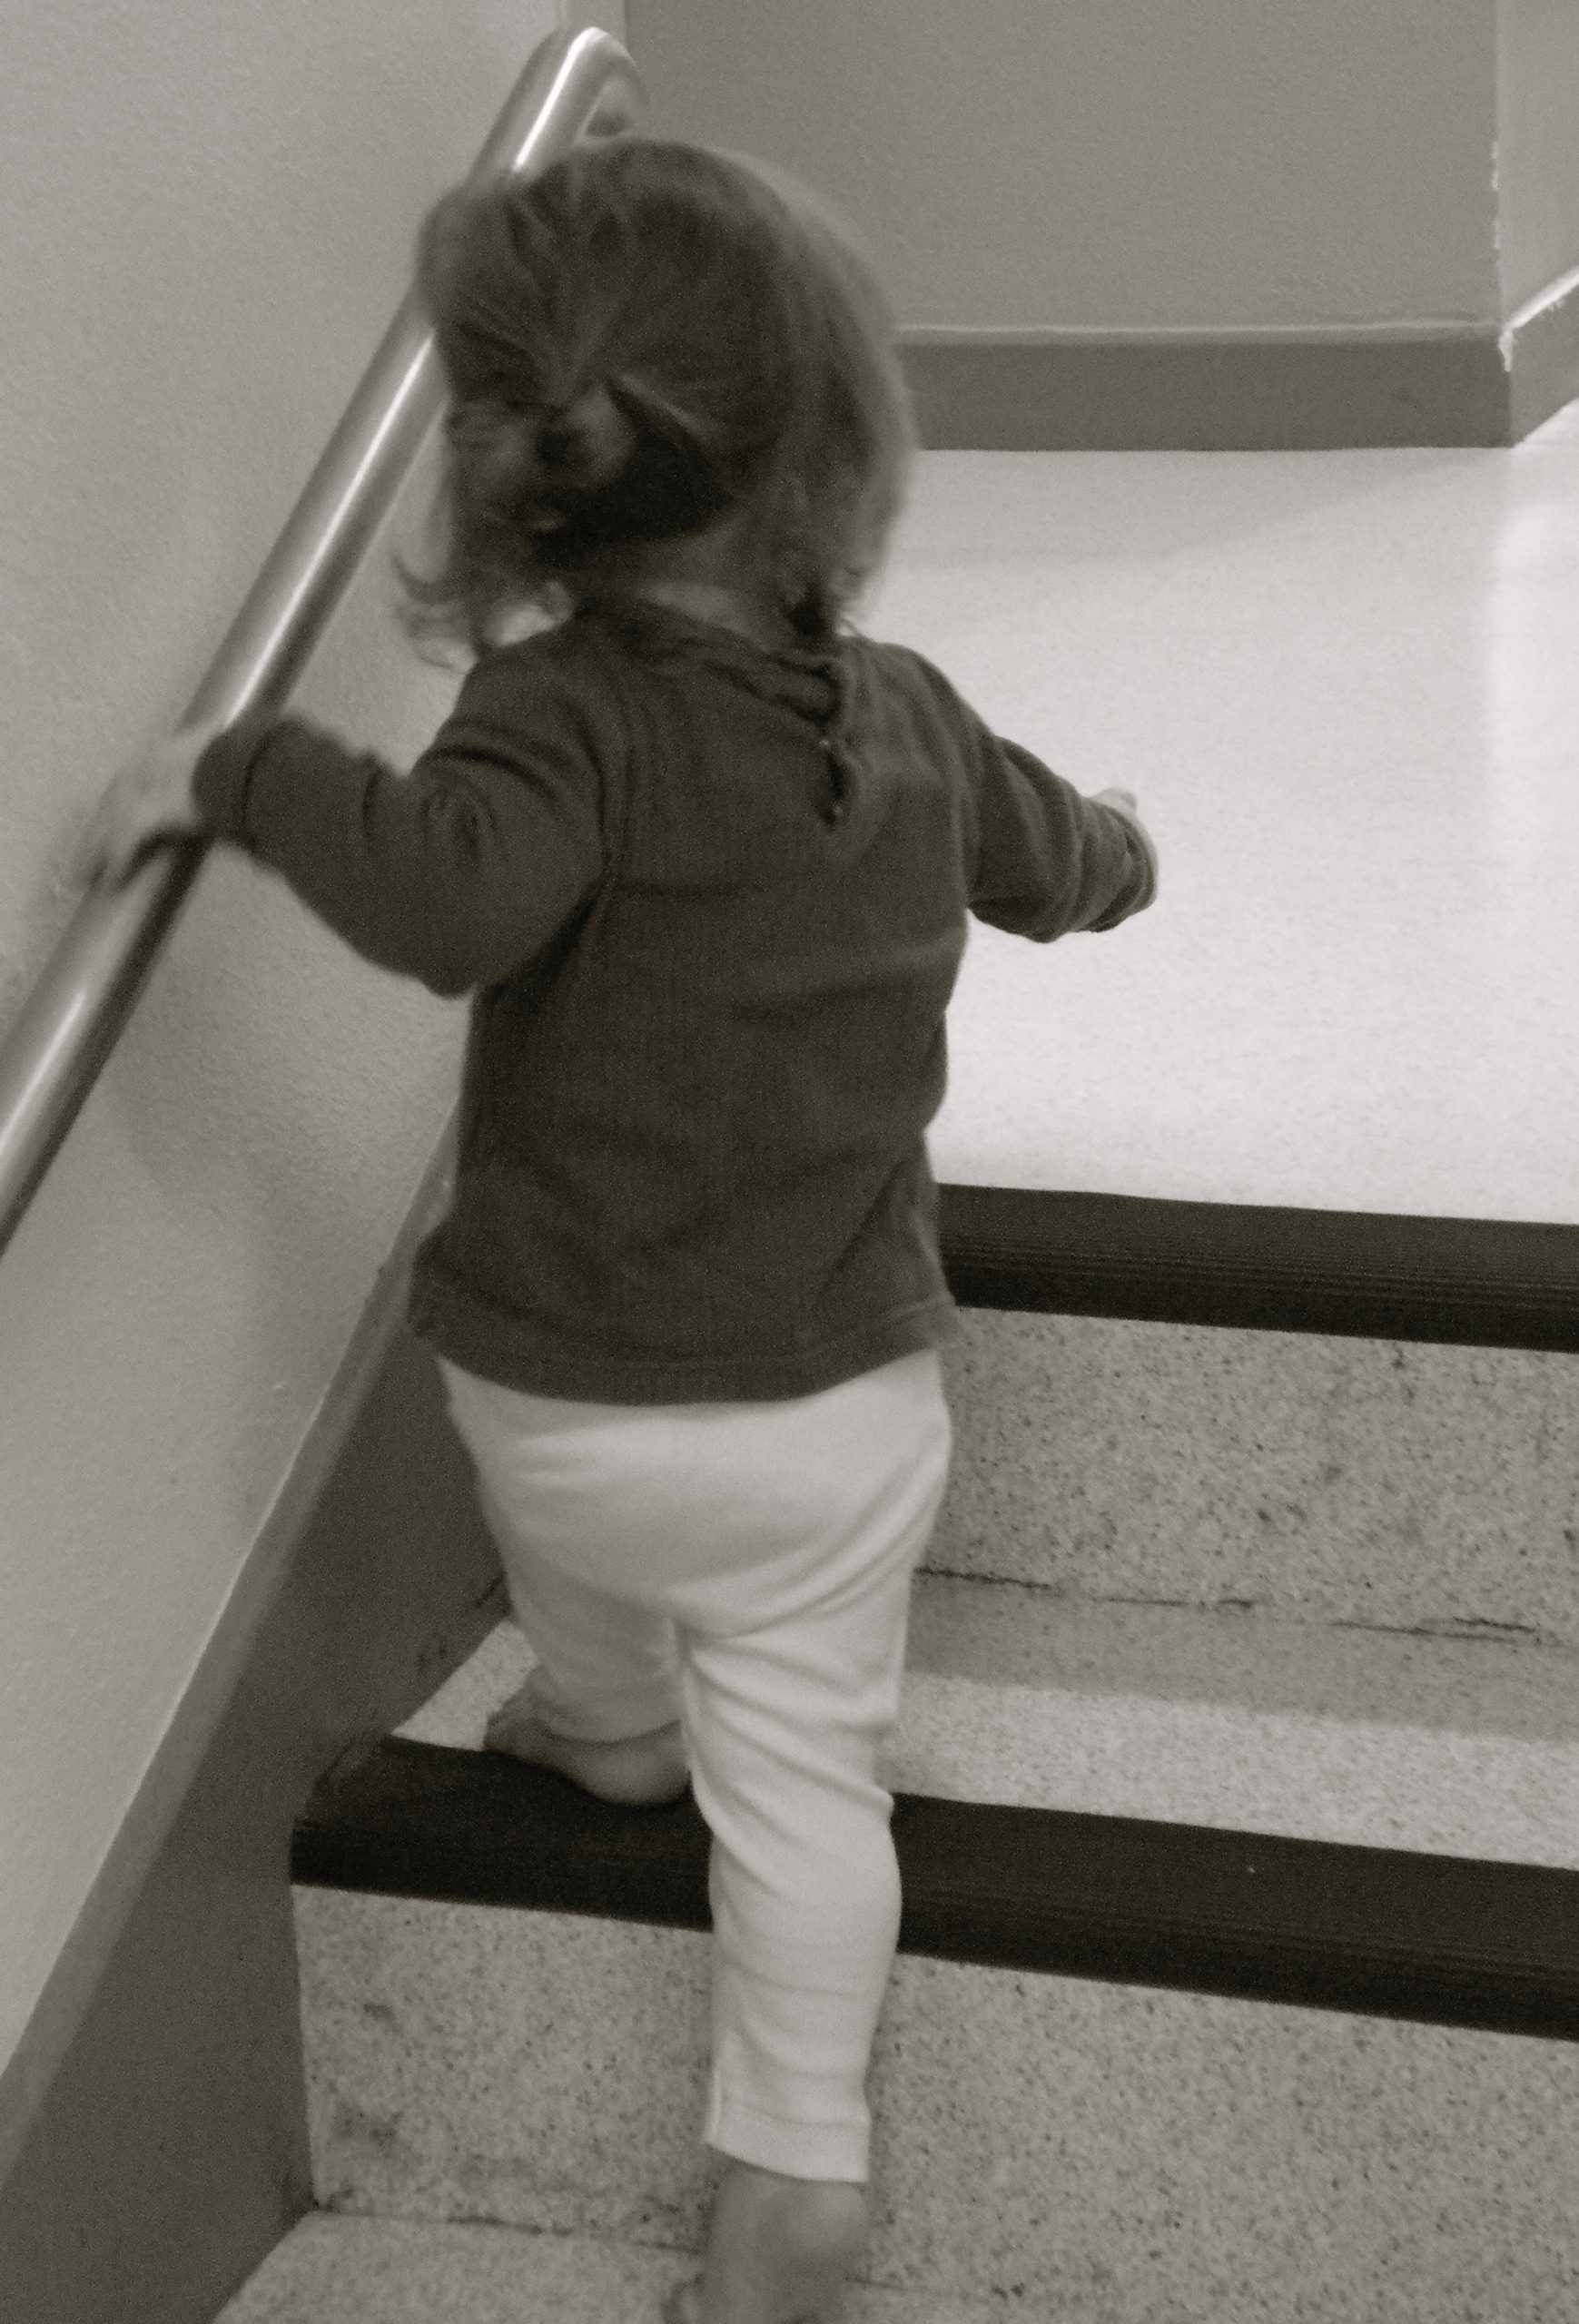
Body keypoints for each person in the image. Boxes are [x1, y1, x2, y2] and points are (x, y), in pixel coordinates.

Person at [78, 135, 1158, 2324]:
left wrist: (239, 771)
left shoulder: (559, 715)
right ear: (829, 450)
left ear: (527, 484)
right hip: (840, 1412)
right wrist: (1127, 843)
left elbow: (441, 896)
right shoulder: (919, 722)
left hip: (559, 1402)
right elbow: (1064, 862)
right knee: (811, 1791)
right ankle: (794, 2176)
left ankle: (597, 1709)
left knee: (582, 1567)